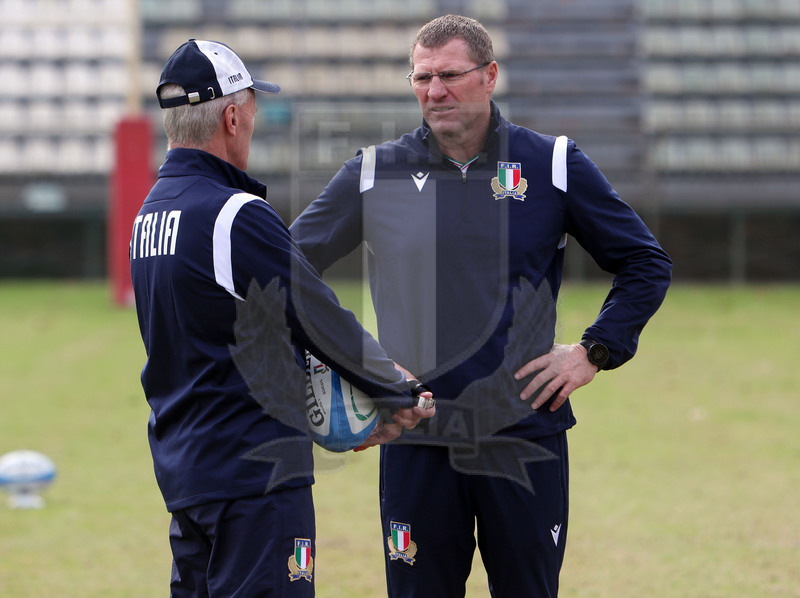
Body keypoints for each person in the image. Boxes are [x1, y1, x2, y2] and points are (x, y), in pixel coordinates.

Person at [290, 15, 672, 598]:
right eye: (421, 78)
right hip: (416, 439)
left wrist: (594, 351)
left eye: (449, 75)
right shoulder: (375, 172)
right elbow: (284, 269)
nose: (434, 91)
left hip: (523, 435)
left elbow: (646, 262)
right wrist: (347, 363)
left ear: (489, 76)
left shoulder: (552, 164)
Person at [129, 39, 433, 597]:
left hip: (186, 469)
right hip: (255, 478)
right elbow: (317, 314)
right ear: (232, 116)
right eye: (252, 107)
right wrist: (396, 393)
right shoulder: (234, 214)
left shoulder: (149, 214)